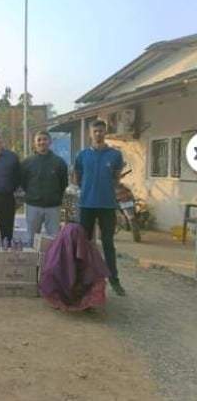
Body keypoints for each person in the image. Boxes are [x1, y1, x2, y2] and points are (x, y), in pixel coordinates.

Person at [74, 119, 126, 296]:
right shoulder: (82, 155)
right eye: (95, 131)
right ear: (90, 133)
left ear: (105, 133)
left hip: (107, 206)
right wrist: (88, 190)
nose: (98, 134)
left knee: (108, 243)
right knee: (85, 244)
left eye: (101, 131)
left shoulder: (115, 155)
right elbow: (78, 178)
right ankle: (84, 280)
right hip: (87, 205)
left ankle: (114, 280)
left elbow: (116, 179)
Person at [39, 222, 109, 311]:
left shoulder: (90, 251)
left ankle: (86, 303)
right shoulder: (56, 253)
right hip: (61, 289)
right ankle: (59, 301)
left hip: (82, 288)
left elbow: (97, 273)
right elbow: (50, 272)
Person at [21, 130, 68, 244]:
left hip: (53, 207)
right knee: (31, 239)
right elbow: (23, 182)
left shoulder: (59, 162)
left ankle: (53, 262)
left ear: (50, 142)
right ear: (35, 143)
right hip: (33, 206)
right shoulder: (27, 162)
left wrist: (55, 197)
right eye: (39, 140)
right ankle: (32, 262)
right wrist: (32, 195)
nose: (42, 142)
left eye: (45, 139)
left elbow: (63, 183)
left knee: (54, 240)